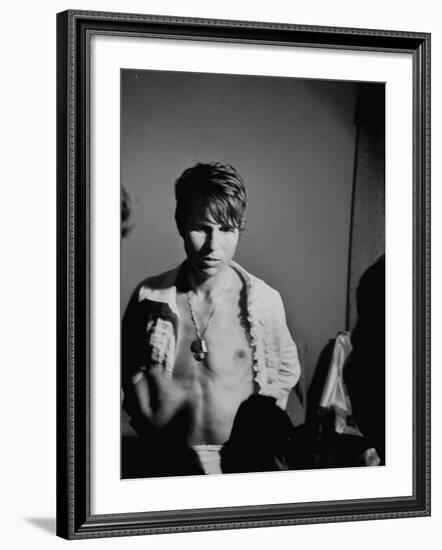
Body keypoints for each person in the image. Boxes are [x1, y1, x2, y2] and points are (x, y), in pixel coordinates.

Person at [122, 162, 302, 477]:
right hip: (165, 463)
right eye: (202, 227)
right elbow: (122, 373)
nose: (213, 246)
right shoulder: (149, 297)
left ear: (240, 227)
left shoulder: (264, 302)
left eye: (226, 230)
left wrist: (257, 443)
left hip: (242, 466)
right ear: (180, 224)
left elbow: (285, 373)